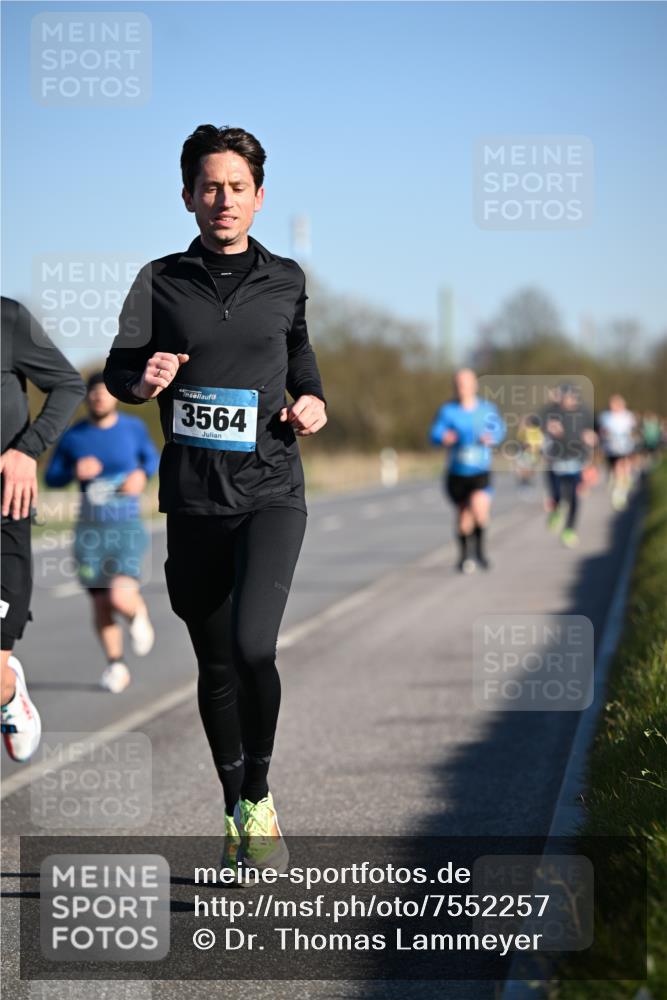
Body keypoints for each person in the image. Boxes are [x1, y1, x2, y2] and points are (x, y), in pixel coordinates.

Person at [103, 125, 327, 872]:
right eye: (209, 186)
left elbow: (297, 351)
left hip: (270, 488)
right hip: (195, 500)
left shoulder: (287, 279)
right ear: (187, 196)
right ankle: (234, 805)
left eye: (236, 187)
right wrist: (143, 381)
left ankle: (258, 797)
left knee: (253, 646)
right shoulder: (158, 280)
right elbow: (117, 370)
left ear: (258, 198)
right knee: (215, 665)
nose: (222, 199)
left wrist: (312, 400)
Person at [1, 296, 85, 761]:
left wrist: (26, 450)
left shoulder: (6, 318)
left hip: (3, 514)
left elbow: (68, 385)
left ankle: (8, 692)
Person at [45, 373, 159, 693]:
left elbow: (152, 460)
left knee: (119, 595)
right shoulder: (74, 437)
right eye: (93, 394)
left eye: (104, 393)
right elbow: (52, 478)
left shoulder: (133, 429)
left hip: (126, 526)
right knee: (100, 604)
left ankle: (137, 614)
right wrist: (73, 471)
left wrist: (141, 473)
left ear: (114, 398)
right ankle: (116, 665)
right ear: (86, 399)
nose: (98, 398)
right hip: (89, 530)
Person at [429, 368, 505, 573]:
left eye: (465, 383)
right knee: (463, 516)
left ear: (474, 385)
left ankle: (480, 552)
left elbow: (499, 428)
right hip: (457, 472)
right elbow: (435, 432)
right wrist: (443, 437)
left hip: (479, 470)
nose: (461, 387)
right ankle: (464, 556)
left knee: (480, 510)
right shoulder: (448, 411)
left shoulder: (487, 409)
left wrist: (491, 437)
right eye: (457, 383)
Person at [541, 384, 596, 548]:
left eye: (572, 397)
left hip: (575, 462)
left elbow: (592, 431)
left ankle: (569, 530)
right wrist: (548, 426)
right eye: (566, 397)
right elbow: (536, 421)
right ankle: (556, 511)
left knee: (574, 498)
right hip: (556, 462)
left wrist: (591, 437)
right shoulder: (553, 411)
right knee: (557, 495)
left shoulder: (584, 413)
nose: (569, 400)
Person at [597, 395, 637, 510]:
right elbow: (601, 430)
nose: (614, 406)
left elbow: (633, 430)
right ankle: (618, 490)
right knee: (616, 470)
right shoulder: (605, 416)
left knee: (623, 468)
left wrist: (631, 436)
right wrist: (605, 434)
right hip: (611, 448)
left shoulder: (628, 416)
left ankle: (620, 493)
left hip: (625, 447)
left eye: (617, 403)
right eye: (612, 404)